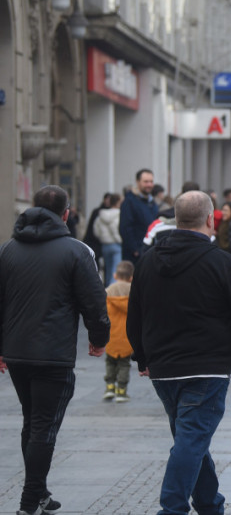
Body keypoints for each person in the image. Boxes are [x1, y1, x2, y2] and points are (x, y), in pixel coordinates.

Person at [126, 190, 231, 515]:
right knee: (191, 440)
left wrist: (142, 357)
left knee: (191, 438)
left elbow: (135, 314)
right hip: (206, 368)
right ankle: (172, 509)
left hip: (164, 369)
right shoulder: (222, 262)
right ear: (211, 220)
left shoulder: (148, 261)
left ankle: (211, 506)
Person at [0, 185, 110, 515]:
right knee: (44, 426)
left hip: (18, 352)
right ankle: (29, 502)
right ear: (66, 214)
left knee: (32, 421)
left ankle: (41, 493)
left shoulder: (8, 250)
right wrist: (99, 337)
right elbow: (94, 300)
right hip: (52, 353)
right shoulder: (76, 251)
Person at [103, 261, 134, 402]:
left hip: (111, 335)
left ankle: (110, 387)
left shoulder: (109, 291)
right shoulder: (133, 291)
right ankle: (121, 391)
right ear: (131, 277)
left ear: (115, 275)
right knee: (124, 364)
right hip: (127, 336)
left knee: (110, 361)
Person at [119, 168, 158, 263]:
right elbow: (125, 227)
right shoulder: (129, 201)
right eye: (146, 182)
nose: (149, 185)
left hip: (151, 252)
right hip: (135, 256)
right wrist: (135, 250)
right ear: (137, 182)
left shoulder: (152, 202)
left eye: (151, 182)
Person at [94, 193, 123, 287]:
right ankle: (112, 292)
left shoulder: (101, 215)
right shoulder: (119, 214)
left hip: (105, 245)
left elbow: (96, 230)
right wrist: (120, 240)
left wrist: (103, 238)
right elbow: (114, 228)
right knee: (115, 269)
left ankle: (107, 288)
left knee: (108, 268)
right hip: (116, 244)